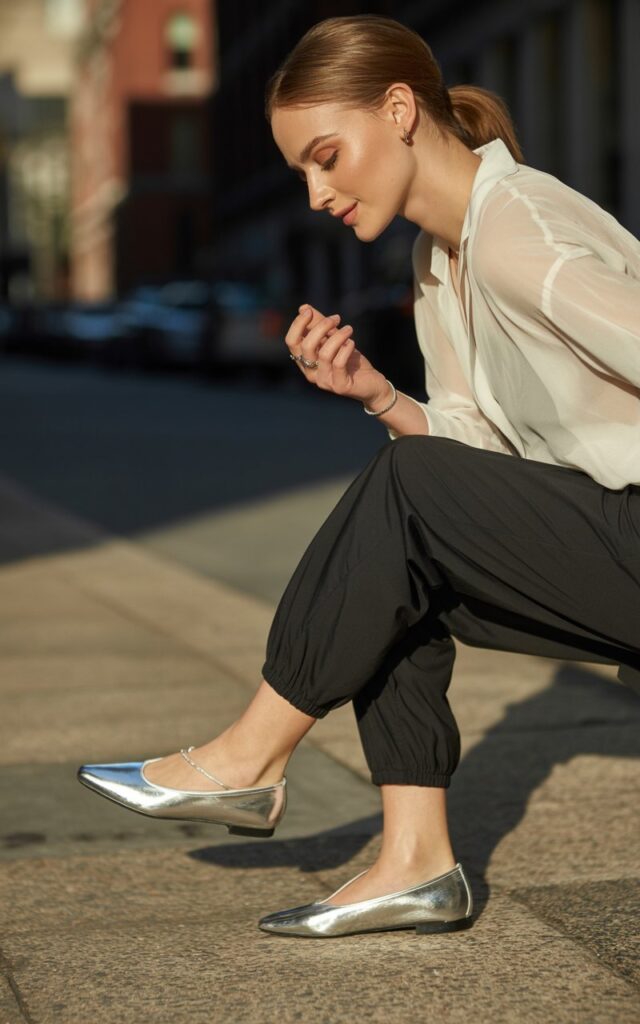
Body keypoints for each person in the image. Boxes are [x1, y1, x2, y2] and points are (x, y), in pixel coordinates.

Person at [77, 14, 640, 939]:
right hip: (611, 544)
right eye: (302, 169)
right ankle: (415, 862)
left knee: (407, 496)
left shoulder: (517, 234)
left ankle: (246, 756)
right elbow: (475, 457)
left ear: (400, 109)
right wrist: (379, 394)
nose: (315, 192)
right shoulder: (439, 259)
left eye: (328, 156)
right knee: (399, 561)